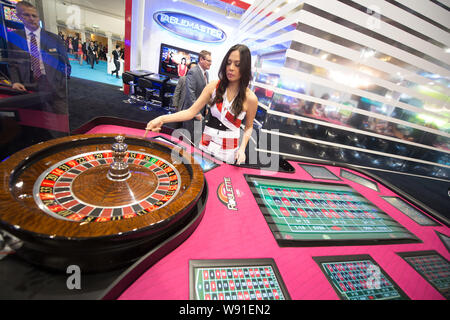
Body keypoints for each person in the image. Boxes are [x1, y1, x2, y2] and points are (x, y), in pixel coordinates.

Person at [145, 44, 258, 165]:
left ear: (245, 67)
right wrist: (162, 119)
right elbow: (190, 112)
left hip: (229, 151)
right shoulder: (213, 87)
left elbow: (249, 127)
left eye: (237, 64)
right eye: (228, 62)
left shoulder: (251, 98)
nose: (231, 68)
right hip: (206, 145)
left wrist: (242, 149)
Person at [7, 1, 69, 96]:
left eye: (34, 16)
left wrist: (60, 83)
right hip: (25, 86)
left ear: (38, 18)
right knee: (31, 111)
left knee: (56, 110)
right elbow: (12, 64)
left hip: (53, 87)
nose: (31, 18)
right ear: (19, 16)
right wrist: (15, 82)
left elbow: (65, 64)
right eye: (26, 15)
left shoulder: (54, 39)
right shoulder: (14, 37)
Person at [181, 50, 212, 142]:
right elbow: (190, 93)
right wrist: (196, 112)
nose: (210, 63)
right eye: (209, 61)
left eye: (211, 61)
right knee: (188, 139)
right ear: (201, 59)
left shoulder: (206, 73)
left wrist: (206, 107)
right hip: (192, 112)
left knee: (196, 139)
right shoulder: (193, 72)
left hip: (201, 112)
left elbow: (204, 93)